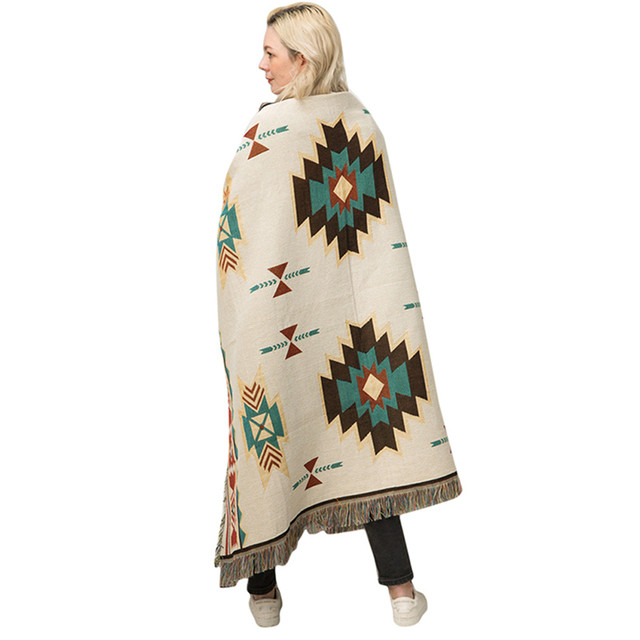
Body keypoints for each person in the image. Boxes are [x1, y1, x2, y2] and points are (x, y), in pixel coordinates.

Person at [215, 3, 462, 628]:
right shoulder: (361, 123)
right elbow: (372, 239)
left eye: (271, 53)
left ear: (302, 60)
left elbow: (236, 237)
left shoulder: (267, 133)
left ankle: (263, 592)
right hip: (356, 324)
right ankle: (401, 594)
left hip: (275, 324)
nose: (261, 65)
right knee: (367, 431)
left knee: (268, 436)